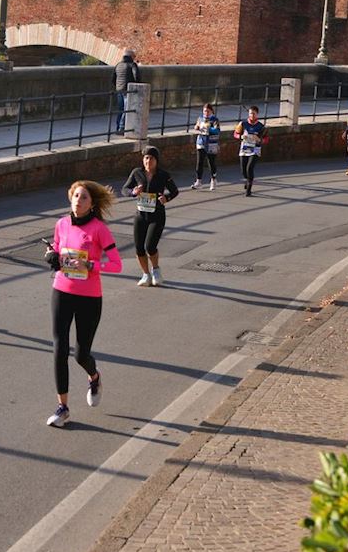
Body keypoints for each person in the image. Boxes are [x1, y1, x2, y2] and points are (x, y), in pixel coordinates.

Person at [43, 180, 122, 427]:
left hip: (89, 297)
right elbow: (56, 249)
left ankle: (94, 376)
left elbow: (117, 264)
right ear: (70, 198)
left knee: (80, 354)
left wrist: (91, 266)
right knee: (59, 348)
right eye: (76, 195)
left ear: (92, 204)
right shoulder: (61, 224)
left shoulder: (99, 229)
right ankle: (62, 407)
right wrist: (51, 256)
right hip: (62, 291)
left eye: (84, 197)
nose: (79, 200)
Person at [124, 147, 179, 287]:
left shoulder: (163, 175)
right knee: (139, 248)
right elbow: (125, 189)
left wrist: (166, 198)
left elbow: (174, 191)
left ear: (156, 160)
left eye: (151, 158)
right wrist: (133, 192)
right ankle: (145, 274)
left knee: (150, 246)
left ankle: (155, 270)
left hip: (157, 215)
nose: (148, 161)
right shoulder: (137, 173)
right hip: (140, 215)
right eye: (146, 158)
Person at [233, 106, 269, 197]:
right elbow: (235, 134)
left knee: (250, 168)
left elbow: (266, 139)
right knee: (243, 170)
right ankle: (247, 179)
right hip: (244, 149)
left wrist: (259, 140)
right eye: (250, 113)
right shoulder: (243, 124)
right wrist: (241, 137)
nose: (252, 115)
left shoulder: (261, 126)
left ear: (257, 114)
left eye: (254, 113)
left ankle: (249, 189)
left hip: (255, 150)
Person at [191, 103, 222, 190]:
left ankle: (213, 180)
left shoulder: (214, 120)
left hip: (211, 143)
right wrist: (196, 127)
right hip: (201, 142)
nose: (206, 113)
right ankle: (198, 181)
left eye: (208, 111)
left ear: (211, 111)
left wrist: (209, 128)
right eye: (205, 111)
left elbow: (217, 130)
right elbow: (197, 126)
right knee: (199, 162)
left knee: (211, 162)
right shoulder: (200, 118)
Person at [114, 49, 141, 133]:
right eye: (134, 56)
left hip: (119, 90)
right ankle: (122, 128)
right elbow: (136, 76)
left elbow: (113, 79)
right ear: (131, 56)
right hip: (128, 90)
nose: (134, 58)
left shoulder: (118, 65)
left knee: (120, 109)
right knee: (126, 109)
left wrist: (118, 86)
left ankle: (118, 126)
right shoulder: (132, 65)